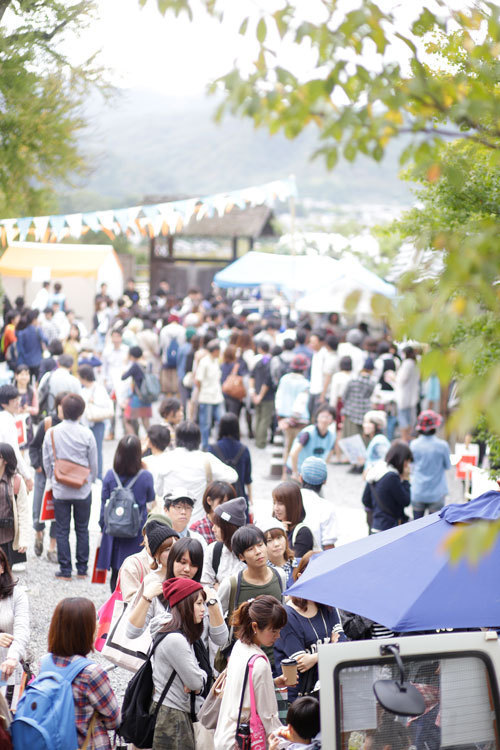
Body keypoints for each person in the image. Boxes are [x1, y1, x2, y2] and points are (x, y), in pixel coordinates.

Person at [214, 595, 288, 750]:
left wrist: (271, 682)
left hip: (226, 736)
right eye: (273, 631)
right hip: (243, 741)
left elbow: (242, 687)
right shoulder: (259, 663)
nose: (278, 636)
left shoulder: (239, 647)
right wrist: (287, 741)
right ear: (255, 627)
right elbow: (268, 717)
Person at [46, 597, 120, 748]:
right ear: (86, 630)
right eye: (95, 620)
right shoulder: (92, 673)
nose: (99, 624)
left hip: (51, 741)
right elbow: (114, 720)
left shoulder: (44, 663)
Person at [274, 552, 346, 701]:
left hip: (330, 691)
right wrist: (330, 649)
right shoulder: (288, 614)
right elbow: (302, 663)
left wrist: (315, 657)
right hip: (300, 698)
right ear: (300, 576)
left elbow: (343, 647)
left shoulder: (329, 607)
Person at [42, 393, 98, 580]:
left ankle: (65, 570)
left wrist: (54, 478)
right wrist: (89, 481)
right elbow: (94, 464)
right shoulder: (87, 433)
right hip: (82, 489)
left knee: (62, 529)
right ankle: (82, 569)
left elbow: (47, 459)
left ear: (62, 410)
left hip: (60, 488)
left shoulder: (52, 432)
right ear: (81, 413)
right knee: (82, 528)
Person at [98, 435, 155, 591]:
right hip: (135, 532)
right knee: (134, 572)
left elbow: (104, 502)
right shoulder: (145, 476)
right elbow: (150, 499)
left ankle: (114, 606)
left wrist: (102, 526)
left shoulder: (110, 475)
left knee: (116, 574)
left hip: (114, 532)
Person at [155, 420, 238, 524]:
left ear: (177, 438)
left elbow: (158, 491)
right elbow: (233, 476)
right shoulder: (206, 459)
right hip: (197, 523)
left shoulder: (166, 459)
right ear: (199, 439)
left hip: (169, 523)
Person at [29, 392, 67, 562]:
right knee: (38, 509)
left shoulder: (71, 425)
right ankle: (38, 534)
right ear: (57, 405)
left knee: (57, 512)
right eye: (62, 404)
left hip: (59, 476)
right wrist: (37, 466)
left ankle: (52, 547)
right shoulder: (48, 423)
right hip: (43, 474)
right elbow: (34, 446)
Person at [362, 441, 413, 532]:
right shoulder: (392, 477)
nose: (408, 466)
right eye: (407, 462)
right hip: (390, 528)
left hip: (376, 525)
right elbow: (406, 501)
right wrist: (406, 479)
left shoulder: (375, 471)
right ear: (402, 460)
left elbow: (365, 500)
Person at [410, 410, 451, 519]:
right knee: (433, 529)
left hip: (418, 491)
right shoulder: (443, 446)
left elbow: (411, 465)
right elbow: (447, 465)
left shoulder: (413, 445)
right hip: (437, 493)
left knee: (416, 527)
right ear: (435, 427)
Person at [208, 413, 252, 513]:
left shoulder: (212, 449)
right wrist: (251, 499)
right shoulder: (244, 449)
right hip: (239, 498)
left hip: (218, 500)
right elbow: (247, 479)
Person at [275, 354, 311, 477]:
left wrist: (280, 418)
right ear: (304, 368)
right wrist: (293, 419)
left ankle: (285, 475)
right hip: (300, 421)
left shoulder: (284, 379)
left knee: (288, 447)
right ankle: (296, 475)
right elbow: (301, 403)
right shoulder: (305, 383)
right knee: (299, 450)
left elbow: (278, 398)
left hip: (284, 418)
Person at [201, 496, 247, 587]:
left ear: (229, 528)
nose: (213, 529)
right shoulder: (213, 550)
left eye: (217, 525)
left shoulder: (251, 550)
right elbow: (205, 584)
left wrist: (219, 587)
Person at [78, 364, 112, 480]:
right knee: (87, 450)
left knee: (97, 450)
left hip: (97, 422)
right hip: (85, 423)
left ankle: (98, 475)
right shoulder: (82, 390)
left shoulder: (99, 388)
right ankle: (88, 474)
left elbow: (105, 404)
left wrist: (92, 402)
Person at [288, 405, 336, 480]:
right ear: (317, 417)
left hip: (313, 473)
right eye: (322, 415)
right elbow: (293, 453)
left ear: (332, 420)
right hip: (297, 470)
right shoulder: (308, 433)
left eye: (328, 416)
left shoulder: (331, 436)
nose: (324, 419)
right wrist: (295, 472)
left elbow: (330, 452)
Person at [299, 457, 338, 551]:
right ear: (325, 481)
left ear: (300, 478)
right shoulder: (327, 507)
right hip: (315, 561)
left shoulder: (290, 499)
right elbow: (329, 546)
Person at [0, 385, 33, 492]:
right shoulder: (7, 421)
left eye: (17, 399)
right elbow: (14, 452)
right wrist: (27, 476)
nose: (18, 403)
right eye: (14, 401)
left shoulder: (6, 418)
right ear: (4, 404)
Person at [273, 482, 315, 558]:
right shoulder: (274, 525)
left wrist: (283, 535)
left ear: (292, 505)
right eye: (274, 503)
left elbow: (294, 565)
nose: (276, 508)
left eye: (280, 503)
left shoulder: (303, 533)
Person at [195, 339, 224, 450]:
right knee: (205, 424)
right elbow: (198, 380)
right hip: (206, 397)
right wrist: (202, 390)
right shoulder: (204, 362)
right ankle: (205, 446)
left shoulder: (216, 361)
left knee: (221, 421)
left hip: (217, 396)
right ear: (215, 351)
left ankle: (218, 444)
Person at [189, 480, 236, 545]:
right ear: (209, 500)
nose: (226, 508)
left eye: (229, 503)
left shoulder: (235, 525)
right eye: (222, 503)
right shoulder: (197, 529)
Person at [342, 358, 376, 442]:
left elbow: (344, 397)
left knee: (351, 439)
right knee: (364, 439)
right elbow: (369, 396)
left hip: (351, 412)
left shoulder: (352, 380)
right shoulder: (372, 383)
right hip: (365, 413)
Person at [121, 345, 153, 435]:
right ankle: (152, 440)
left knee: (127, 420)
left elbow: (123, 377)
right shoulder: (148, 364)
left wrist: (124, 363)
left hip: (137, 397)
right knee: (145, 420)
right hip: (147, 397)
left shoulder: (135, 365)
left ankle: (134, 441)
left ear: (131, 356)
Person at [250, 341, 275, 449]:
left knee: (258, 418)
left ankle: (257, 440)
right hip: (266, 396)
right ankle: (261, 442)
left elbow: (252, 377)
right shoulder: (270, 363)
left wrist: (253, 393)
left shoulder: (259, 362)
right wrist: (260, 395)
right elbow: (267, 382)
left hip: (256, 394)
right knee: (265, 419)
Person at [258, 516, 297, 586]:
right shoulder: (259, 572)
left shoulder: (299, 565)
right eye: (269, 540)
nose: (276, 544)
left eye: (279, 537)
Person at [395, 346, 420, 443]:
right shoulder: (415, 364)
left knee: (403, 418)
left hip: (404, 396)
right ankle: (408, 437)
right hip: (412, 396)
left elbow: (401, 380)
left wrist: (393, 377)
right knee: (409, 418)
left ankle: (404, 438)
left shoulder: (407, 364)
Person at [15, 309, 45, 381]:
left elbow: (20, 350)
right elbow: (45, 340)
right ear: (34, 320)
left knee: (28, 381)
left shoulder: (21, 333)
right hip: (38, 360)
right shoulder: (37, 330)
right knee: (39, 381)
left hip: (26, 361)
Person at [14, 364, 38, 448]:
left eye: (27, 374)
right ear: (16, 376)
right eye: (22, 374)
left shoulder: (32, 391)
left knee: (25, 449)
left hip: (27, 424)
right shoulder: (11, 390)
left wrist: (28, 409)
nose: (24, 377)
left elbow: (36, 410)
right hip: (14, 422)